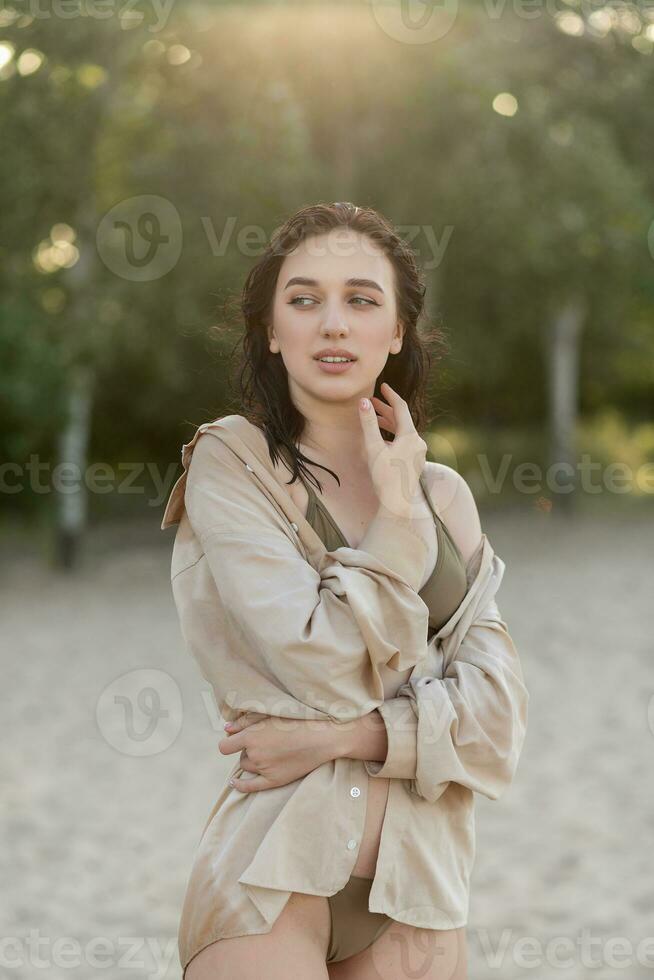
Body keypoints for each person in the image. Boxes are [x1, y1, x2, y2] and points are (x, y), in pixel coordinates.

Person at [161, 202, 529, 979]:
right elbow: (317, 663)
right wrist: (396, 523)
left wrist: (343, 739)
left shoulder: (446, 495)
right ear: (272, 329)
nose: (333, 323)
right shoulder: (234, 466)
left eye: (361, 300)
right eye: (304, 299)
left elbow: (498, 725)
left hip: (420, 885)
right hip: (272, 873)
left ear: (396, 332)